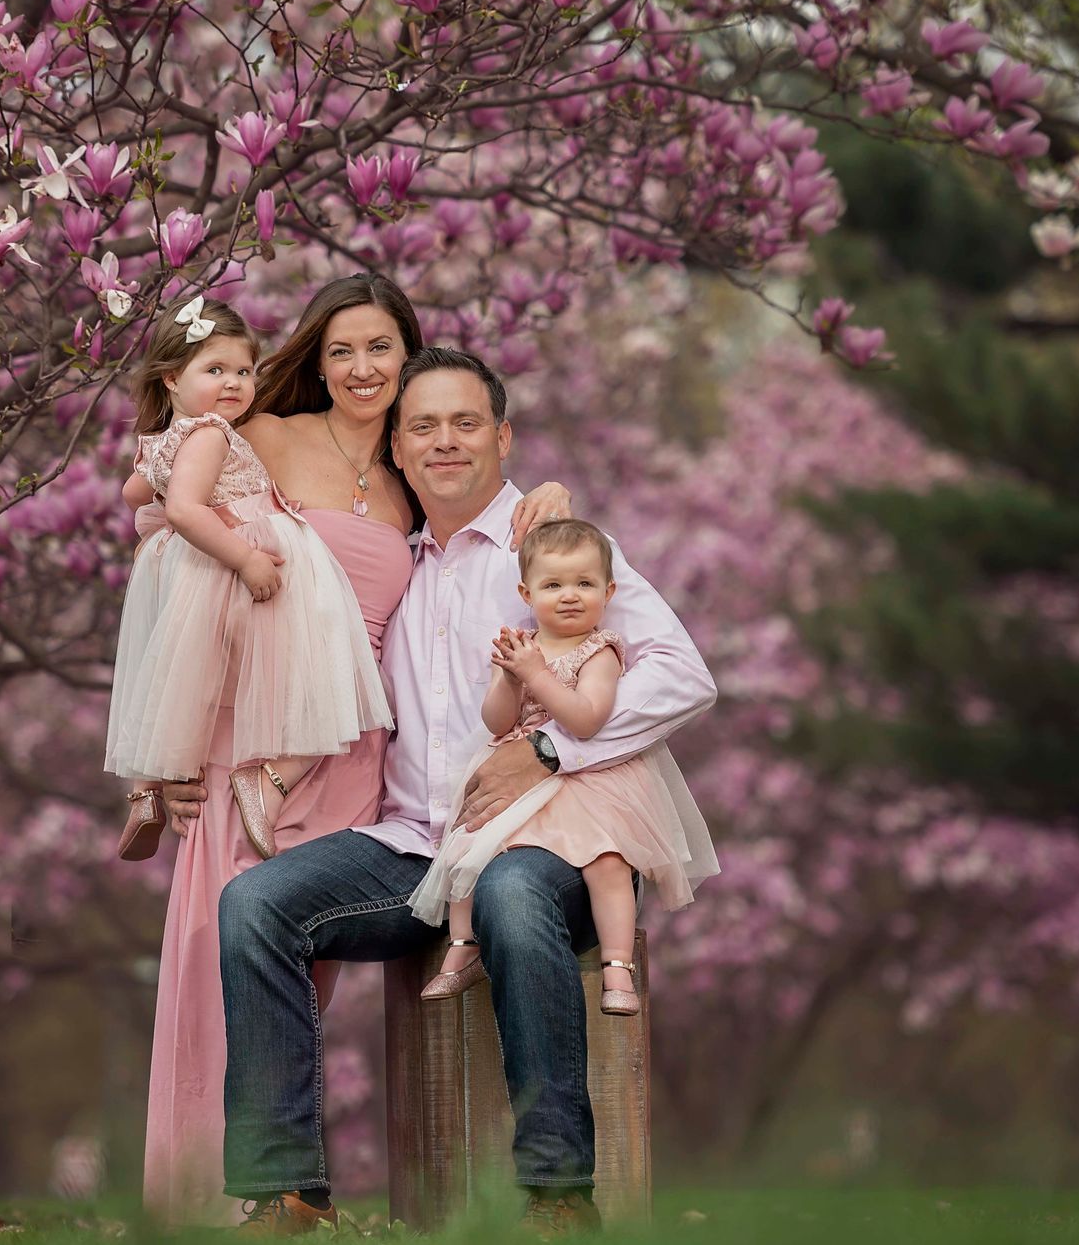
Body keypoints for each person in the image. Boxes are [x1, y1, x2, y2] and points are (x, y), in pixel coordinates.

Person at [204, 347, 715, 1236]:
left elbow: (683, 674)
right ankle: (287, 1192)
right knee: (255, 902)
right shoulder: (397, 568)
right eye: (424, 426)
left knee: (515, 890)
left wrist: (549, 750)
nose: (446, 442)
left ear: (505, 437)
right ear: (398, 450)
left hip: (549, 845)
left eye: (467, 422)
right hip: (415, 849)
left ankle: (559, 1197)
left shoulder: (553, 548)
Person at [135, 277, 573, 1226]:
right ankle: (206, 1200)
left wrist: (551, 491)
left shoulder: (422, 463)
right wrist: (168, 736)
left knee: (293, 962)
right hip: (255, 728)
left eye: (380, 348)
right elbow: (169, 519)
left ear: (407, 354)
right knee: (226, 926)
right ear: (317, 360)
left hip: (359, 744)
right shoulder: (267, 434)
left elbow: (496, 518)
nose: (360, 369)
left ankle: (279, 1190)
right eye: (340, 350)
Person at [106, 295, 392, 862]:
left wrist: (160, 474)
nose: (234, 383)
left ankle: (146, 788)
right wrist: (245, 557)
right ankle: (267, 779)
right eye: (215, 370)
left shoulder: (173, 439)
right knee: (331, 683)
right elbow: (185, 510)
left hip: (192, 574)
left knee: (166, 676)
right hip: (239, 562)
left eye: (242, 371)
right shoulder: (212, 434)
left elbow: (135, 496)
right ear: (170, 379)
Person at [407, 518, 717, 1016]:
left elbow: (585, 719)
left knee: (606, 860)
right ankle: (463, 945)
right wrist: (510, 680)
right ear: (526, 593)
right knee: (473, 842)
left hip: (587, 778)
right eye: (553, 585)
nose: (569, 596)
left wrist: (535, 674)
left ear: (608, 591)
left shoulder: (600, 650)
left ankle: (618, 967)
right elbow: (496, 721)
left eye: (584, 584)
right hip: (517, 766)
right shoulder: (518, 645)